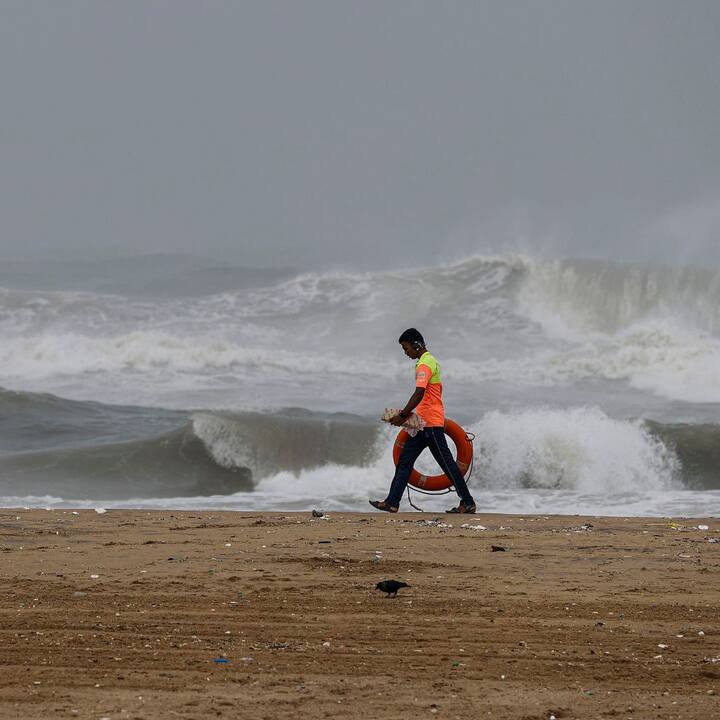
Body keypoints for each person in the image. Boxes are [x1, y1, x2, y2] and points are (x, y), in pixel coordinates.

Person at [370, 328, 477, 514]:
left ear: (417, 345)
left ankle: (468, 503)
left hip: (431, 425)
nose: (405, 352)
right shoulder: (427, 362)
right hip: (421, 424)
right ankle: (392, 502)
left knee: (447, 464)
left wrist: (402, 415)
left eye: (406, 348)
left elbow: (419, 393)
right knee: (404, 462)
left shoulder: (425, 364)